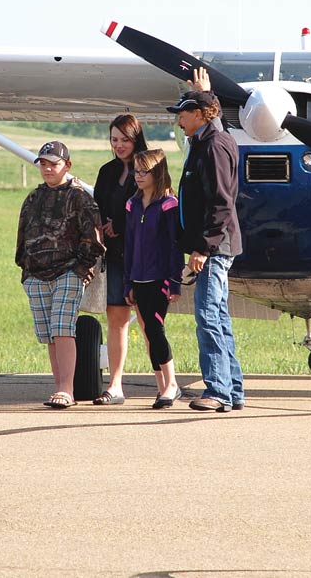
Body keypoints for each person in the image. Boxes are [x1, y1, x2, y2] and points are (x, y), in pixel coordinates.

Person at [166, 86, 245, 412]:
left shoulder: (213, 146)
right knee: (219, 318)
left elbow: (221, 203)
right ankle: (233, 391)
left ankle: (218, 392)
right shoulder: (207, 141)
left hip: (212, 247)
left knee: (209, 317)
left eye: (183, 113)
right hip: (213, 245)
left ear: (201, 114)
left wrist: (203, 248)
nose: (179, 119)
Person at [16, 141, 105, 409]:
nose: (47, 168)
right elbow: (22, 235)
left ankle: (67, 390)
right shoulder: (33, 197)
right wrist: (26, 272)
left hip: (69, 271)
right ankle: (58, 388)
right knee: (49, 335)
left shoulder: (79, 198)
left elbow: (94, 239)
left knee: (63, 328)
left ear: (67, 165)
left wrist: (80, 269)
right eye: (43, 163)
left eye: (53, 163)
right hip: (36, 274)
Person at [92, 114, 148, 405]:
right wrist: (100, 227)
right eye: (114, 140)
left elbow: (156, 207)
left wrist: (121, 226)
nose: (119, 145)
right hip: (114, 256)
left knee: (149, 320)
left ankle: (167, 384)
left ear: (136, 138)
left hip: (143, 257)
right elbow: (97, 206)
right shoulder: (106, 171)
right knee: (117, 320)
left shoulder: (151, 167)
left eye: (125, 139)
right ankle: (115, 386)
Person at [123, 149, 185, 408]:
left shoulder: (169, 205)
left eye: (144, 171)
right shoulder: (132, 204)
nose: (138, 176)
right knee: (148, 331)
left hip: (160, 278)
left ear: (157, 172)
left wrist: (175, 280)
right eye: (136, 170)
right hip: (138, 277)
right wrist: (128, 281)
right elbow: (128, 244)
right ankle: (161, 386)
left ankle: (171, 384)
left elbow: (175, 245)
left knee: (156, 330)